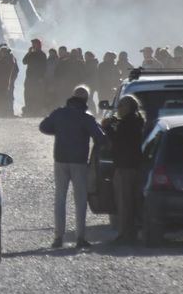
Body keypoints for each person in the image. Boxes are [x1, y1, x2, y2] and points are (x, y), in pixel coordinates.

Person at [39, 86, 106, 249]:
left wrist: (60, 131)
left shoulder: (59, 113)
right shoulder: (86, 117)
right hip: (79, 162)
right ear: (86, 100)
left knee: (60, 198)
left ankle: (58, 237)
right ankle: (80, 237)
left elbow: (44, 127)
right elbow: (100, 137)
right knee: (80, 200)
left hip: (60, 160)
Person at [101, 94, 145, 245]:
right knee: (135, 203)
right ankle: (135, 232)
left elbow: (117, 143)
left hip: (125, 168)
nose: (118, 109)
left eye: (121, 106)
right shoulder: (138, 122)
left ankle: (125, 234)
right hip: (137, 167)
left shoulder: (127, 124)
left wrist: (107, 128)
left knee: (124, 203)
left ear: (129, 108)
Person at [22, 39, 47, 116]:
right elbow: (24, 61)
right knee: (28, 94)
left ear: (38, 45)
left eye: (34, 44)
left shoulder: (42, 54)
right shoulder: (31, 54)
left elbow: (44, 67)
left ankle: (37, 111)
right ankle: (29, 110)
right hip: (29, 77)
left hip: (37, 78)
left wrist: (41, 77)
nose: (33, 45)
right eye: (32, 44)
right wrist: (28, 53)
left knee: (37, 94)